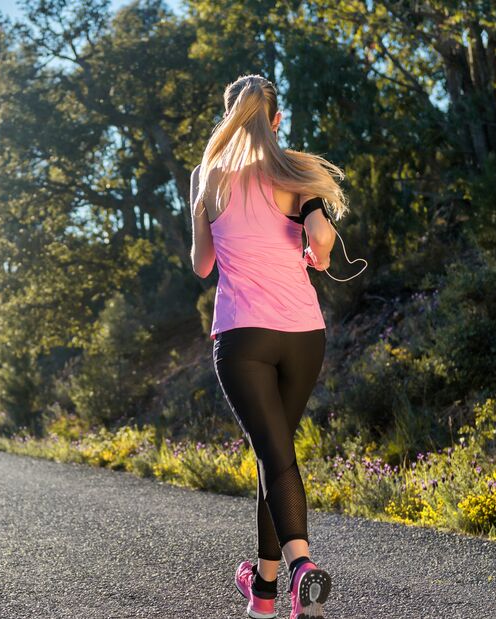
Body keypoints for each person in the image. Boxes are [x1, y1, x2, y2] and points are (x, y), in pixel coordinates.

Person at [189, 73, 348, 619]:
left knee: (274, 453)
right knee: (272, 453)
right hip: (304, 335)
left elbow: (202, 265)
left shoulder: (206, 177)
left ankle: (302, 565)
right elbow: (322, 239)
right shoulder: (297, 172)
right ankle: (262, 589)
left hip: (244, 336)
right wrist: (318, 257)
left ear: (228, 119)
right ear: (277, 121)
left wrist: (202, 215)